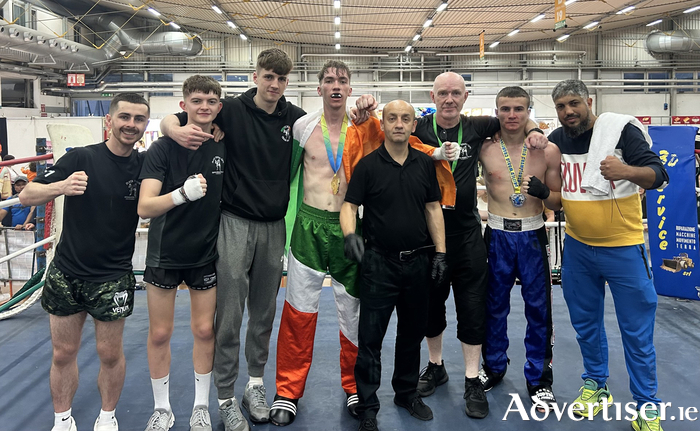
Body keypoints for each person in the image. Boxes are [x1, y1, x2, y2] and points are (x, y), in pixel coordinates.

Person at [269, 61, 457, 427]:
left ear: (351, 88)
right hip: (308, 226)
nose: (335, 86)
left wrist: (436, 154)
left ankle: (355, 386)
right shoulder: (302, 126)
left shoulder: (367, 126)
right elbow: (280, 172)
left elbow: (406, 141)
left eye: (342, 80)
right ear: (318, 87)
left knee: (353, 315)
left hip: (352, 229)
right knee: (298, 312)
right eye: (328, 80)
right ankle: (288, 391)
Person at [355, 72, 548, 419]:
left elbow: (516, 117)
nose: (448, 99)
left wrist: (534, 130)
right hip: (429, 237)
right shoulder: (419, 127)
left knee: (473, 305)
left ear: (464, 96)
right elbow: (383, 131)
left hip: (468, 234)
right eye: (442, 93)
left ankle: (473, 379)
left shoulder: (478, 126)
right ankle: (436, 365)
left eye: (455, 93)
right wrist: (363, 110)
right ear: (432, 95)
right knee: (431, 307)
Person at [159, 49, 306, 431]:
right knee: (229, 314)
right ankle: (224, 395)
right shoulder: (232, 110)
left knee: (263, 312)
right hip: (235, 222)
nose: (274, 85)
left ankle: (254, 385)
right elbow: (177, 117)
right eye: (268, 76)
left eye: (281, 78)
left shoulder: (294, 117)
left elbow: (332, 125)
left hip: (275, 227)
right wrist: (171, 129)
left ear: (287, 82)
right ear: (255, 76)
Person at [19, 93, 149, 431]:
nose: (131, 125)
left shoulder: (146, 165)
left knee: (109, 354)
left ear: (145, 125)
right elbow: (26, 195)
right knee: (63, 352)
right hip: (67, 272)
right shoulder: (80, 157)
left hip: (113, 277)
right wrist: (61, 185)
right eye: (125, 117)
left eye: (139, 119)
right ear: (109, 120)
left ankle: (107, 417)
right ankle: (63, 420)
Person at [549, 79, 668, 431]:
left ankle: (647, 404)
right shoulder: (556, 140)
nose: (569, 111)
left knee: (636, 331)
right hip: (578, 248)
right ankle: (596, 386)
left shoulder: (621, 132)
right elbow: (556, 193)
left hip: (624, 249)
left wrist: (626, 170)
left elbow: (659, 175)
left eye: (574, 103)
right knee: (586, 327)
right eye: (561, 106)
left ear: (589, 100)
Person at [340, 100, 448, 431]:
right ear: (382, 125)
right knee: (370, 338)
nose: (399, 124)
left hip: (418, 263)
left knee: (411, 335)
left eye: (405, 118)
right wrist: (349, 234)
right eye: (392, 118)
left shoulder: (424, 164)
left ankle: (406, 393)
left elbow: (433, 208)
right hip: (378, 264)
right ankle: (368, 406)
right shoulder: (368, 166)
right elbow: (348, 206)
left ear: (413, 126)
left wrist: (441, 253)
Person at [138, 76, 224, 431]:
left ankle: (200, 406)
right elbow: (145, 207)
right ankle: (162, 409)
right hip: (165, 253)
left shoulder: (223, 141)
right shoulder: (162, 148)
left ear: (219, 107)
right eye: (197, 100)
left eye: (211, 101)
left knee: (205, 330)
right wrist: (181, 194)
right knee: (160, 333)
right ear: (183, 104)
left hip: (204, 252)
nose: (204, 106)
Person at [477, 86, 561, 411]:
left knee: (539, 309)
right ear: (496, 111)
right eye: (505, 109)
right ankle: (494, 367)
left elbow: (558, 200)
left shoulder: (547, 151)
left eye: (519, 109)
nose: (512, 115)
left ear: (529, 112)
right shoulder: (485, 148)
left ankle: (539, 379)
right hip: (496, 234)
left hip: (532, 235)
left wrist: (542, 193)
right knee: (493, 307)